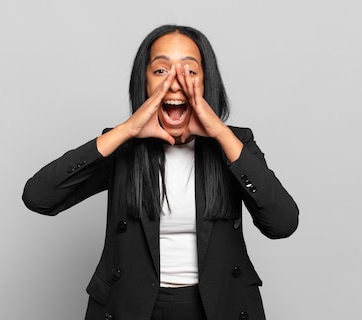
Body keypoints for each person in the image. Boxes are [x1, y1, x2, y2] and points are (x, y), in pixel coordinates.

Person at [22, 24, 299, 320]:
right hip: (133, 306)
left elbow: (282, 224)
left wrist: (219, 132)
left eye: (190, 71)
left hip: (217, 306)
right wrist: (125, 131)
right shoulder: (123, 146)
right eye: (161, 71)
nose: (175, 83)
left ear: (207, 83)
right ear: (144, 82)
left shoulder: (234, 143)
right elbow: (39, 197)